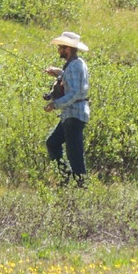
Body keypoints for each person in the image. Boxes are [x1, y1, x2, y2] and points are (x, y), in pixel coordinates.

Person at [43, 30, 90, 188]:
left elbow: (75, 92)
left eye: (61, 47)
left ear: (68, 49)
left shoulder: (76, 65)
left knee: (74, 153)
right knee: (52, 143)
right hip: (70, 116)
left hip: (74, 116)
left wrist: (55, 104)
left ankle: (81, 187)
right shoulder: (75, 64)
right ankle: (66, 178)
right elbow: (71, 78)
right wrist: (58, 73)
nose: (59, 50)